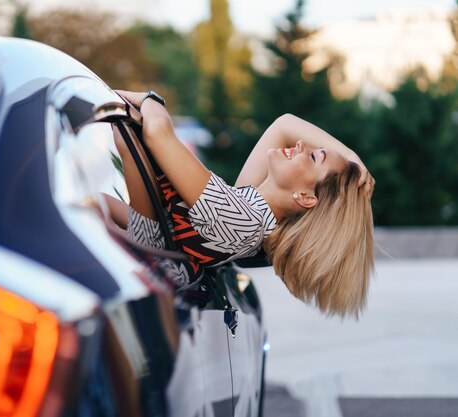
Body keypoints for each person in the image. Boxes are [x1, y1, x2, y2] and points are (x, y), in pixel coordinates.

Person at [112, 90, 375, 318]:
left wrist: (150, 99)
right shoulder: (249, 210)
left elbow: (158, 134)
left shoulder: (240, 220)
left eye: (314, 156)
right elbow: (283, 126)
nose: (301, 144)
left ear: (306, 197)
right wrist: (351, 157)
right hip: (127, 260)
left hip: (122, 275)